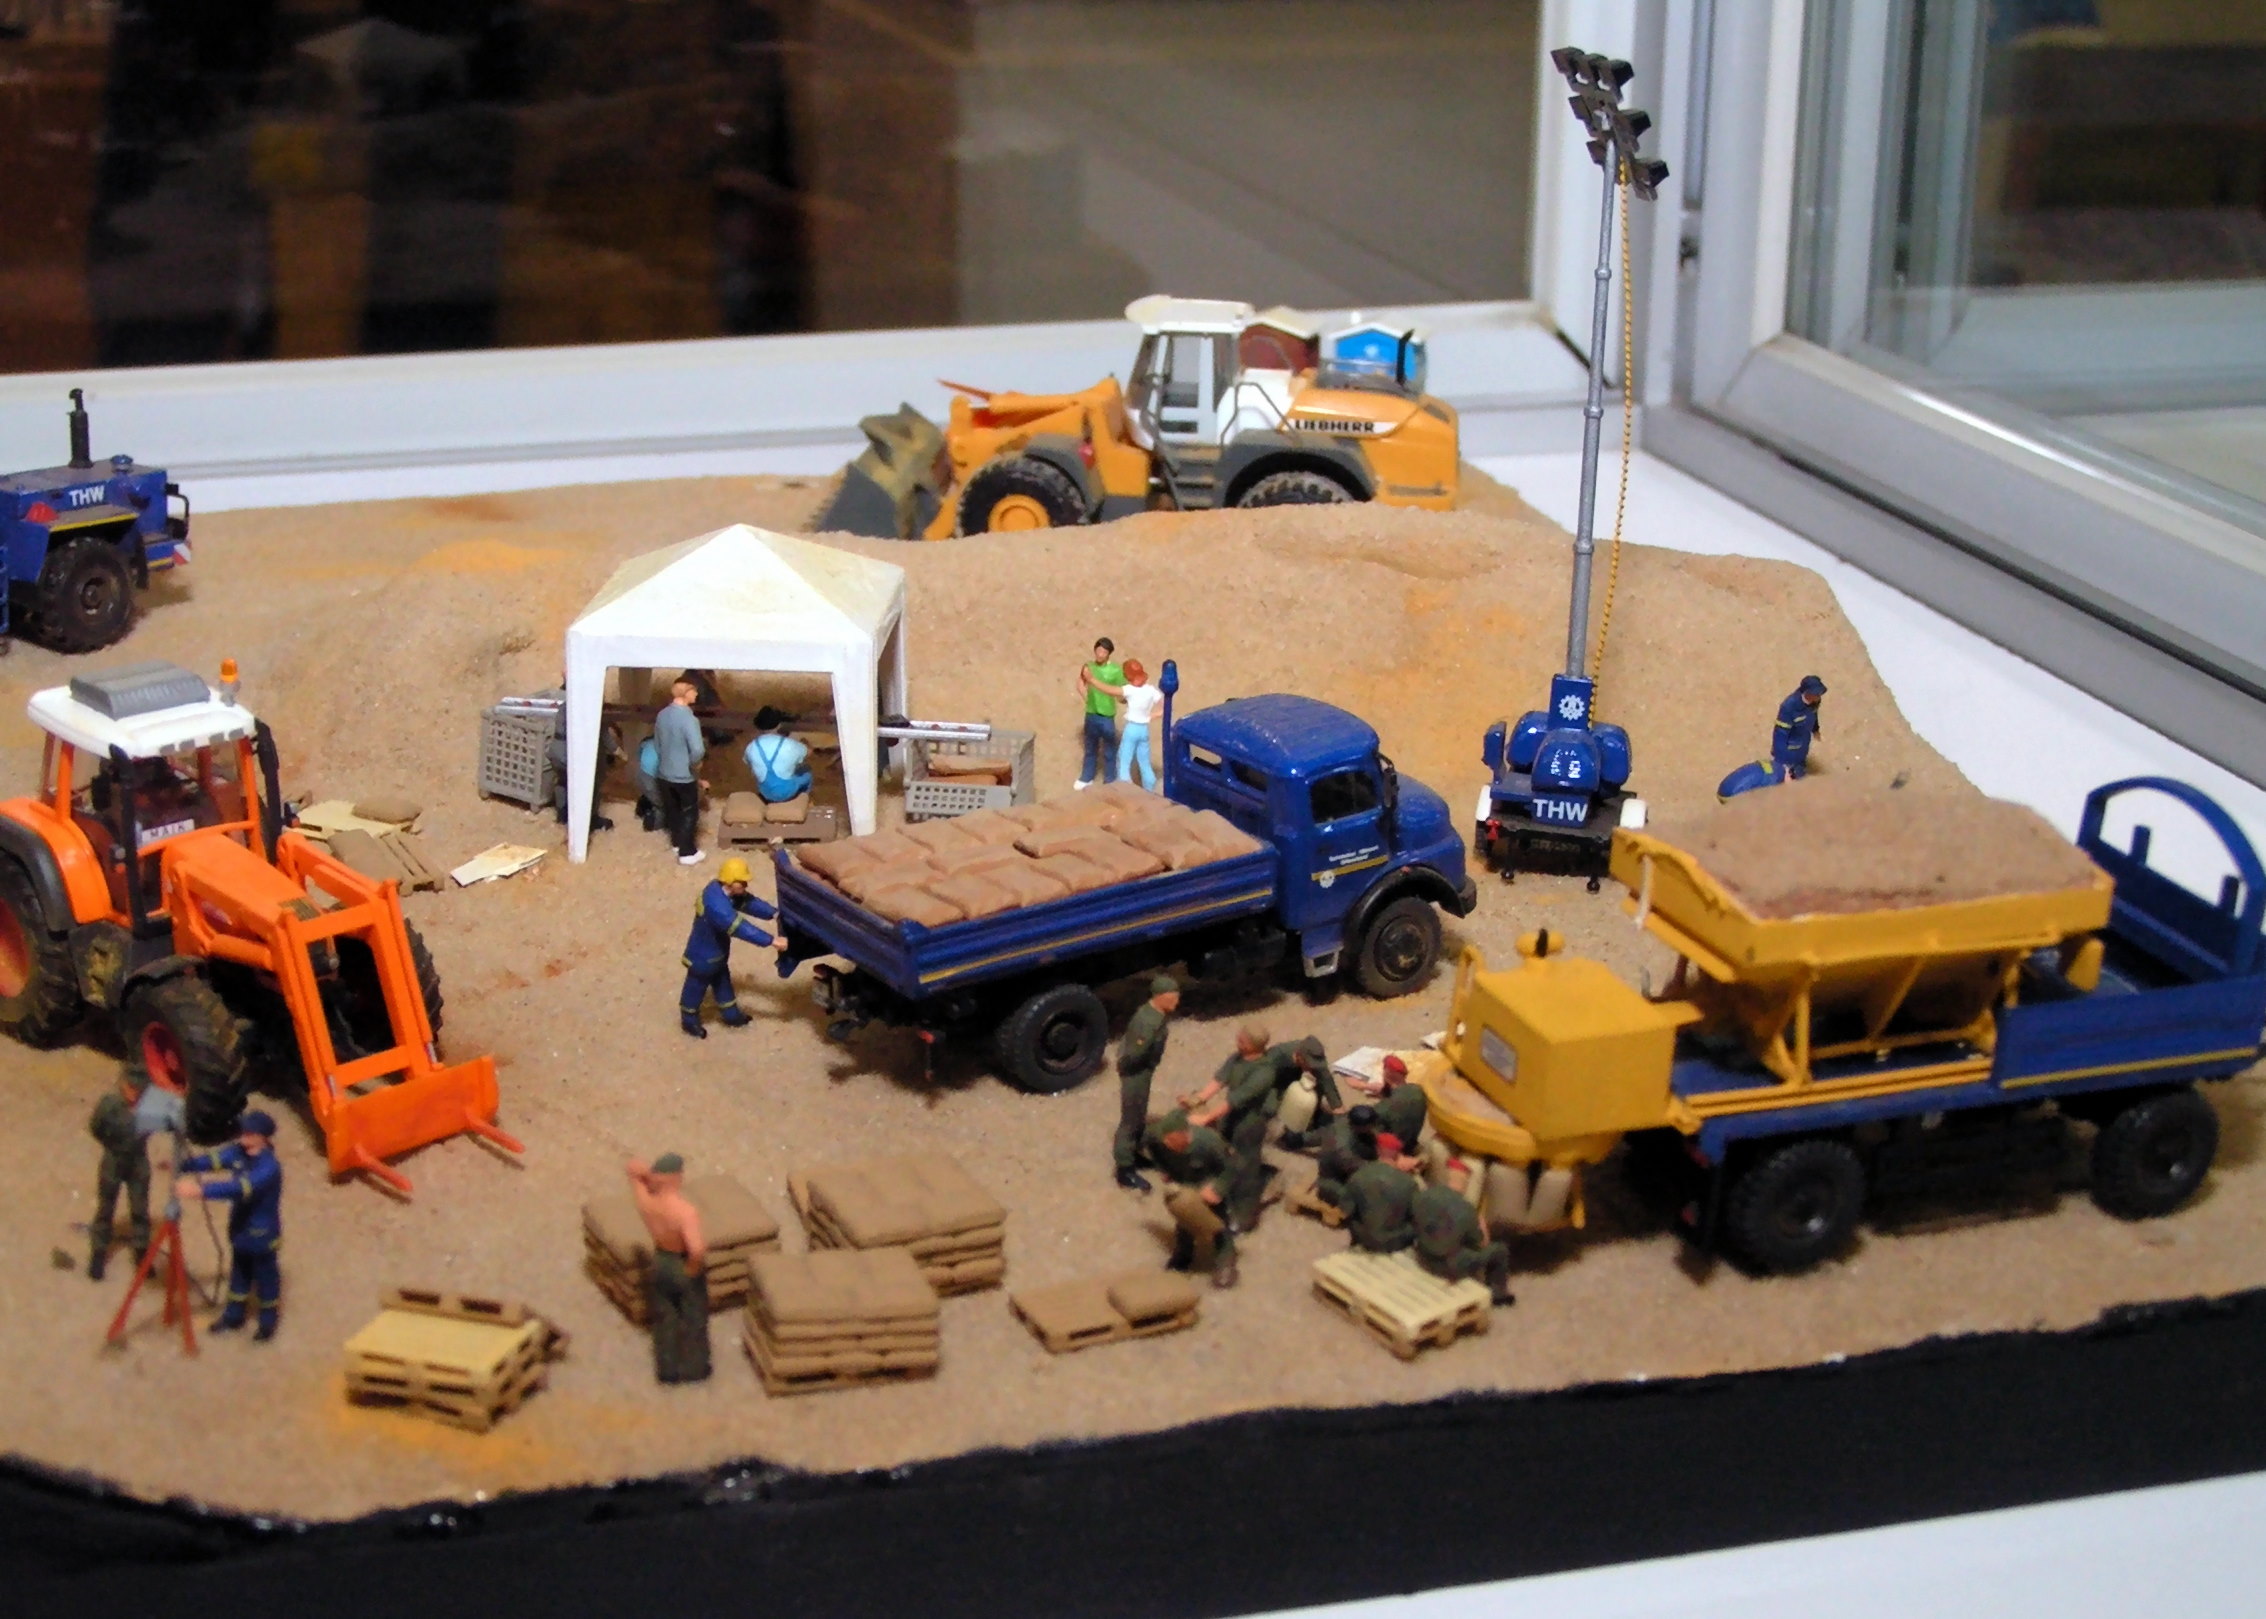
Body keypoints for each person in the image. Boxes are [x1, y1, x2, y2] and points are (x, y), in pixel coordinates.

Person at [175, 1110, 284, 1340]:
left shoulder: (268, 1168)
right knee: (239, 1276)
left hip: (262, 1234)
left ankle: (267, 1322)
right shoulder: (238, 1152)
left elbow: (238, 1188)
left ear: (262, 1137)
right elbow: (213, 1160)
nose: (243, 1135)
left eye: (249, 1132)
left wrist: (200, 1190)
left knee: (266, 1279)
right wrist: (184, 1165)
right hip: (240, 1230)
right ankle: (234, 1316)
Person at [1181, 1024, 1278, 1232]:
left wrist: (1206, 1118)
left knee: (1245, 1171)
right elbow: (1220, 1080)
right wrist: (1197, 1099)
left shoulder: (1264, 1072)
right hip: (1230, 1119)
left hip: (1249, 1125)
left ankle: (1243, 1218)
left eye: (1242, 1040)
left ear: (1253, 1045)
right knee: (1222, 1159)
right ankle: (1221, 1200)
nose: (1237, 1041)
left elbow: (1234, 1100)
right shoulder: (1237, 1058)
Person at [680, 857, 789, 1038]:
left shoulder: (724, 892)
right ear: (730, 882)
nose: (745, 884)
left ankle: (731, 1015)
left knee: (724, 986)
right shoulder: (716, 904)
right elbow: (739, 927)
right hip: (702, 957)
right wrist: (771, 941)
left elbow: (748, 902)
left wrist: (773, 913)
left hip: (718, 955)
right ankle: (689, 1021)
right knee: (695, 990)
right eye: (742, 881)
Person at [625, 1153, 710, 1384]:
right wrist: (692, 1269)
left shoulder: (646, 1202)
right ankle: (694, 1369)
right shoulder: (685, 1212)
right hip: (681, 1261)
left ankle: (668, 1369)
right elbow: (697, 1249)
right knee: (693, 1316)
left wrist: (649, 1176)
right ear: (677, 1177)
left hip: (661, 1259)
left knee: (665, 1318)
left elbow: (632, 1169)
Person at [1142, 1110, 1240, 1288]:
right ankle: (1183, 1255)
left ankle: (1225, 1261)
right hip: (1183, 1183)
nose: (1167, 1144)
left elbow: (1232, 1167)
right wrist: (1164, 1169)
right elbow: (1152, 1147)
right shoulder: (1156, 1136)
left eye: (1172, 1140)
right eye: (1166, 1140)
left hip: (1207, 1182)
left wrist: (1217, 1189)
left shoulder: (1209, 1142)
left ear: (1184, 1134)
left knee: (1219, 1224)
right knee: (1184, 1218)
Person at [1411, 1161, 1515, 1306]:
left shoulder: (1425, 1195)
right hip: (1447, 1266)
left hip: (1422, 1255)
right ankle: (1498, 1294)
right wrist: (1481, 1223)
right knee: (1499, 1250)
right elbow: (1481, 1243)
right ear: (1465, 1182)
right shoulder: (1467, 1210)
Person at [1113, 975, 1180, 1191]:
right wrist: (1129, 1070)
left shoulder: (1156, 1016)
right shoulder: (1148, 1022)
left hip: (1143, 1070)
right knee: (1131, 1120)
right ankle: (1124, 1168)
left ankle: (1134, 1153)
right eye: (1172, 997)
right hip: (1136, 1074)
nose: (1176, 1001)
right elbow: (1133, 1054)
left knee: (1139, 1115)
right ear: (1159, 996)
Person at [87, 1067, 153, 1281]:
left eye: (139, 1090)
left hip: (138, 1162)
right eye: (131, 1088)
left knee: (140, 1209)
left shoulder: (149, 1106)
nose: (134, 1093)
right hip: (114, 1159)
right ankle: (98, 1253)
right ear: (123, 1085)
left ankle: (142, 1252)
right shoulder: (110, 1105)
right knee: (106, 1208)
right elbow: (96, 1127)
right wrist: (111, 1144)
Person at [1326, 1135, 1422, 1254]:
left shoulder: (1359, 1174)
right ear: (1398, 1155)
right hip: (1395, 1242)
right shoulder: (1410, 1183)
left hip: (1363, 1237)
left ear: (1377, 1150)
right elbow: (1417, 1216)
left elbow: (1345, 1209)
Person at [1083, 658, 1164, 791]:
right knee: (1144, 762)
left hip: (1132, 729)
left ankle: (1124, 789)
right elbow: (1164, 706)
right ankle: (1150, 789)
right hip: (1144, 729)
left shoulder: (1130, 690)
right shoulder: (1151, 690)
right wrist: (1152, 716)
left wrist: (1092, 680)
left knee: (1124, 760)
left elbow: (1109, 690)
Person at [653, 675, 708, 864]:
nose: (697, 694)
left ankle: (677, 842)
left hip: (664, 772)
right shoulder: (689, 719)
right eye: (694, 690)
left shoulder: (662, 715)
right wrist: (694, 764)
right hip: (683, 775)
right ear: (686, 692)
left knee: (673, 810)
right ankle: (687, 851)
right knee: (689, 812)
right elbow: (698, 749)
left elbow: (658, 744)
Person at [549, 715, 620, 832]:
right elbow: (604, 735)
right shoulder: (589, 708)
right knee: (593, 781)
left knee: (562, 780)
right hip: (570, 752)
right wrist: (621, 754)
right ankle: (590, 818)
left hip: (556, 748)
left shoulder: (564, 706)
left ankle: (562, 814)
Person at [1074, 637, 1123, 790]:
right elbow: (1080, 682)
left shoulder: (1116, 670)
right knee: (1090, 747)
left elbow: (1122, 691)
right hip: (1091, 714)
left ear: (1109, 654)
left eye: (1104, 652)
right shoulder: (1088, 667)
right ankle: (1086, 776)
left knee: (1109, 749)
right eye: (1099, 650)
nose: (1100, 654)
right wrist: (1087, 698)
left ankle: (1110, 779)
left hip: (1107, 715)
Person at [744, 720, 813, 805]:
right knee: (806, 771)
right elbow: (809, 752)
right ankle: (804, 800)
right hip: (787, 792)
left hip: (765, 792)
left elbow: (748, 762)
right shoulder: (789, 744)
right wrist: (805, 742)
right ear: (778, 725)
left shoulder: (751, 746)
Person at [1772, 674, 1828, 778]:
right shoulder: (1789, 707)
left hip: (1803, 742)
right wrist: (1781, 762)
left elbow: (1814, 714)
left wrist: (1815, 729)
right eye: (1816, 693)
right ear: (1807, 693)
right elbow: (1780, 734)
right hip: (1789, 748)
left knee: (1801, 769)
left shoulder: (1815, 702)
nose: (1819, 696)